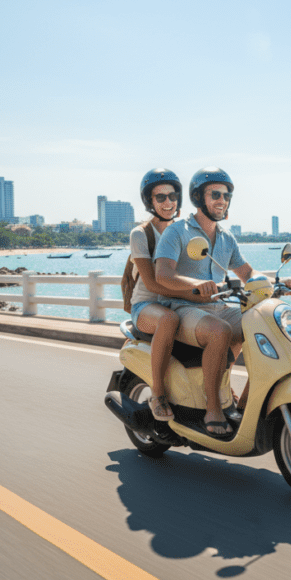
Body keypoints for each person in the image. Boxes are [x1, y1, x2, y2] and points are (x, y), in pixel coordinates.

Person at [153, 167, 253, 440]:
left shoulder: (226, 237)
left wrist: (275, 284)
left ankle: (244, 402)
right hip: (183, 308)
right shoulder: (177, 231)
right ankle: (212, 409)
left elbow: (247, 273)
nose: (223, 200)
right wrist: (194, 285)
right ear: (199, 198)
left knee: (260, 324)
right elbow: (163, 274)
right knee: (219, 331)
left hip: (216, 307)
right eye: (216, 194)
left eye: (227, 195)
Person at [128, 168, 184, 421]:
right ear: (150, 202)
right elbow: (150, 283)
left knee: (224, 325)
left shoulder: (185, 231)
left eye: (172, 196)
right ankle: (158, 394)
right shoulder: (141, 234)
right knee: (168, 320)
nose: (168, 203)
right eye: (160, 198)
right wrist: (194, 294)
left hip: (176, 303)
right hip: (146, 307)